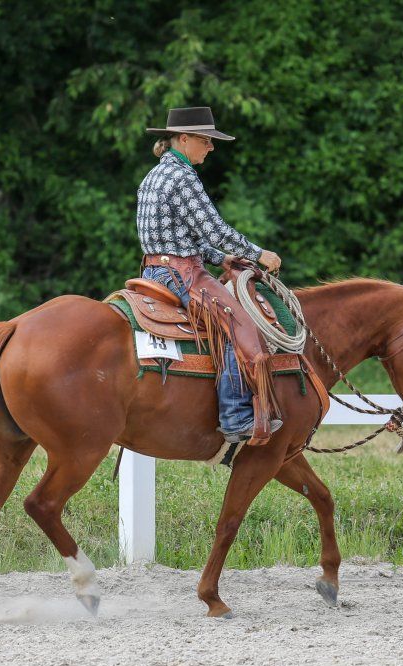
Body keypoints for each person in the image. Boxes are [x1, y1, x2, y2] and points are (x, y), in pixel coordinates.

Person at [138, 106, 282, 445]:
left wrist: (222, 258)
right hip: (181, 275)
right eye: (206, 140)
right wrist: (258, 254)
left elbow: (184, 237)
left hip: (153, 270)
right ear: (184, 139)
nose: (211, 147)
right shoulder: (183, 177)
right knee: (239, 324)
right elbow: (214, 230)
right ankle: (235, 417)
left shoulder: (155, 175)